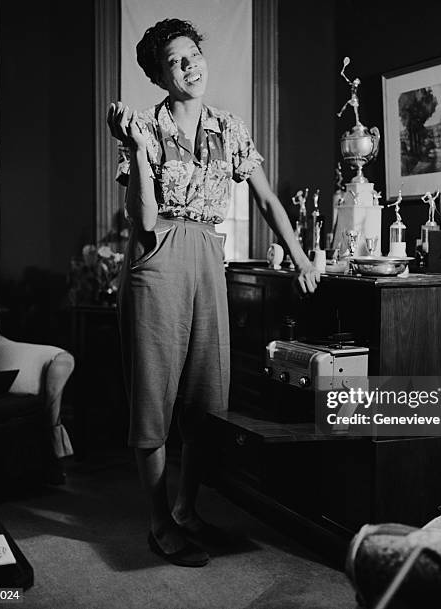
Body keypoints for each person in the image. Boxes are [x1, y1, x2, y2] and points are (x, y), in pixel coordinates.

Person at [106, 18, 320, 568]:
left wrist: (299, 257)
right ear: (160, 76)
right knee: (154, 397)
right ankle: (158, 522)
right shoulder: (146, 129)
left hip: (208, 257)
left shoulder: (231, 127)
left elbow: (268, 200)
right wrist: (134, 146)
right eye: (176, 61)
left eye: (193, 54)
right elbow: (145, 219)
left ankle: (185, 509)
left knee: (206, 397)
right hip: (157, 258)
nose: (190, 66)